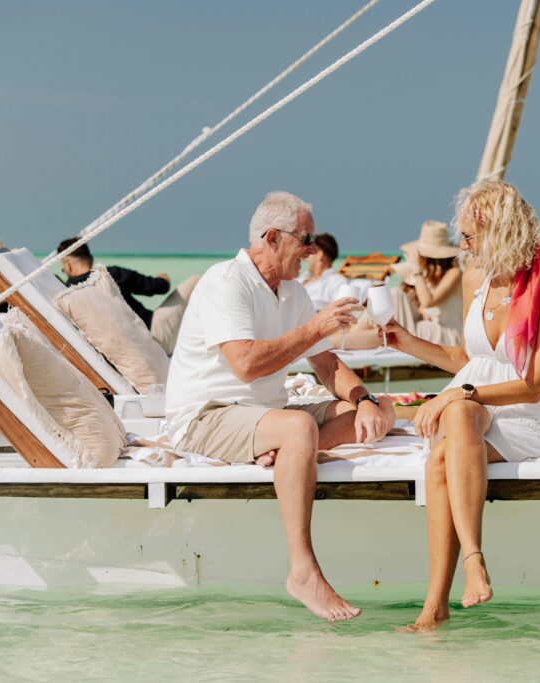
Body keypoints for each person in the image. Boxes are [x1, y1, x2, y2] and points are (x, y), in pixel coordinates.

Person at [164, 191, 396, 621]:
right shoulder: (226, 281)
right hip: (206, 415)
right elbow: (247, 364)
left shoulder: (291, 292)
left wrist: (365, 400)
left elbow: (327, 365)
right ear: (272, 238)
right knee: (297, 429)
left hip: (262, 417)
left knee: (380, 412)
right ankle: (303, 570)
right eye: (305, 239)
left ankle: (287, 454)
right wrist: (313, 329)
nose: (312, 250)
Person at [380, 180, 540, 631]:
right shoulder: (475, 279)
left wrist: (459, 393)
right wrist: (407, 342)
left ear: (501, 232)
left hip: (528, 415)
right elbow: (469, 361)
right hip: (472, 405)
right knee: (459, 421)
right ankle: (464, 572)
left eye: (469, 236)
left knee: (442, 455)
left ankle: (438, 600)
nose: (463, 246)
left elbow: (531, 385)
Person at [57, 239, 198, 354]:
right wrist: (164, 277)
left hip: (133, 351)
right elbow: (158, 287)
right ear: (91, 259)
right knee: (197, 280)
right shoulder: (111, 274)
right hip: (155, 335)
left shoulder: (68, 293)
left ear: (67, 265)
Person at [391, 220, 463, 345]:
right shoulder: (428, 277)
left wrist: (416, 270)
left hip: (448, 334)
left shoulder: (455, 273)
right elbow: (424, 308)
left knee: (395, 299)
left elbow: (428, 302)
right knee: (395, 295)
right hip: (430, 329)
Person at [301, 233, 348, 310]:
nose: (305, 257)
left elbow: (341, 311)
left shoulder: (337, 282)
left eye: (309, 251)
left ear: (320, 254)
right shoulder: (302, 277)